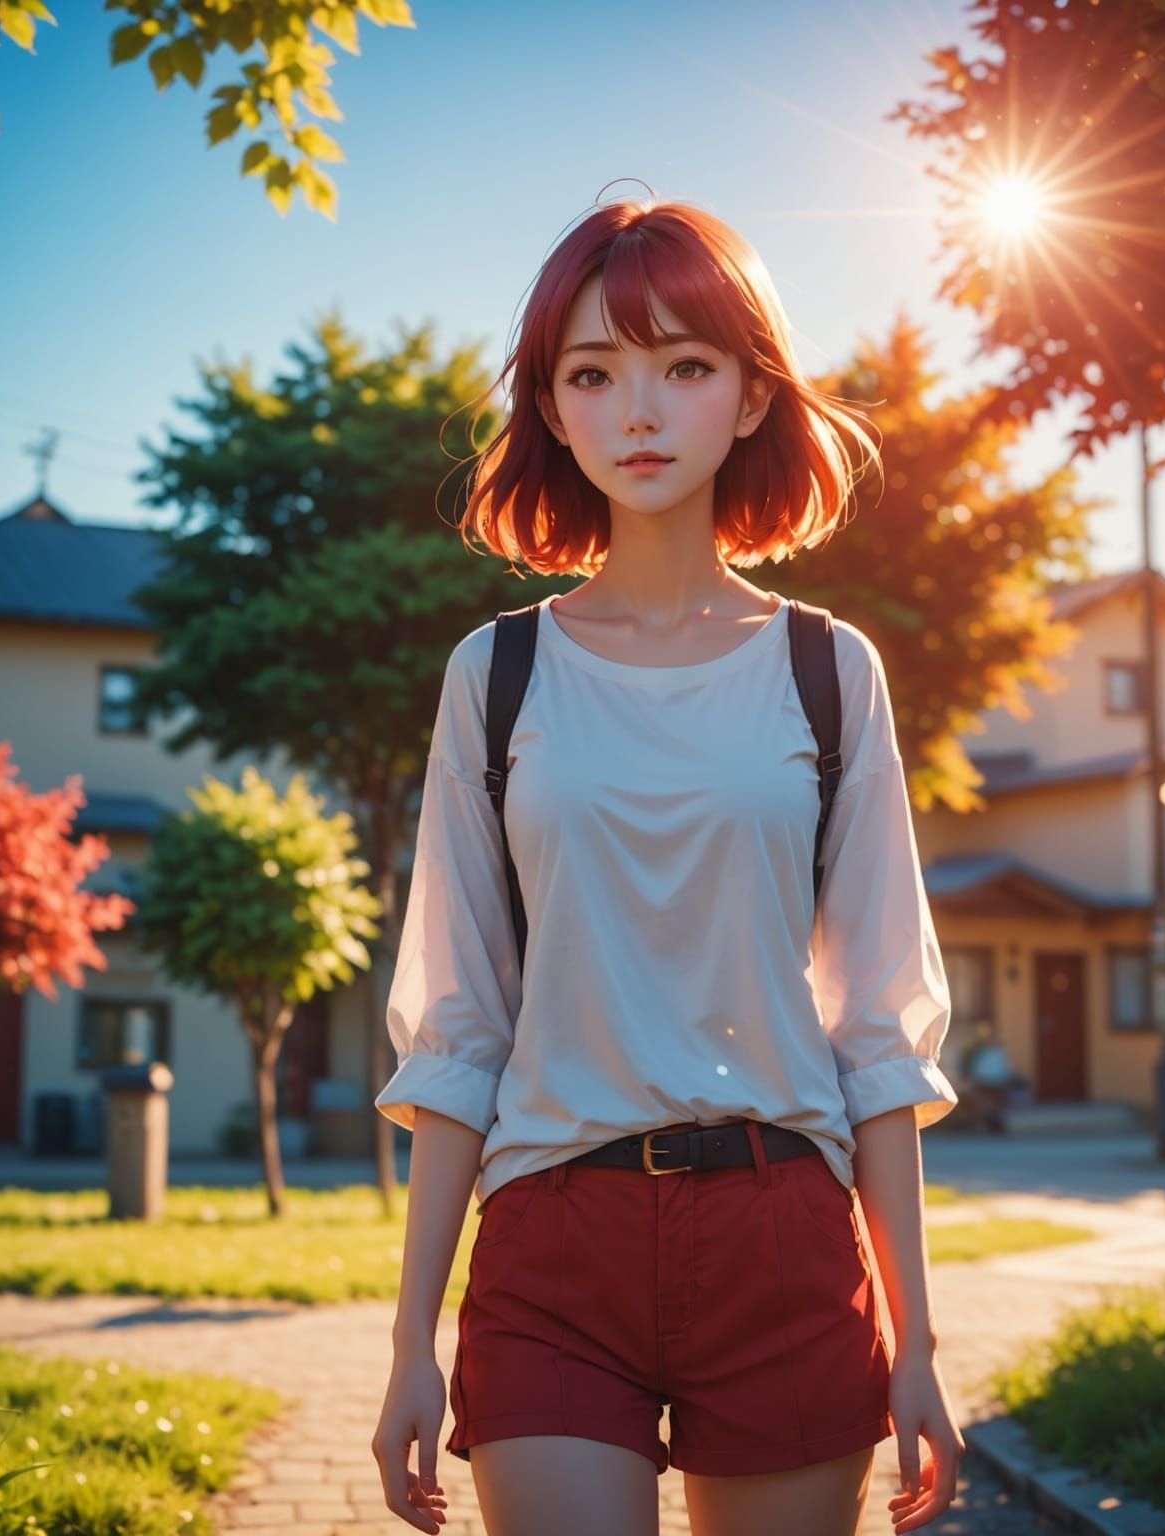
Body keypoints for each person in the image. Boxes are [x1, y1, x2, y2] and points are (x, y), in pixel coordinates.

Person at [370, 191, 966, 1536]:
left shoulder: (830, 670)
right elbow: (460, 1027)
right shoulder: (495, 675)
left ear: (751, 398)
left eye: (684, 367)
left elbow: (878, 1032)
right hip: (551, 1244)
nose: (638, 412)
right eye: (594, 374)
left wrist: (919, 1342)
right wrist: (411, 1340)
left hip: (781, 1238)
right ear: (551, 406)